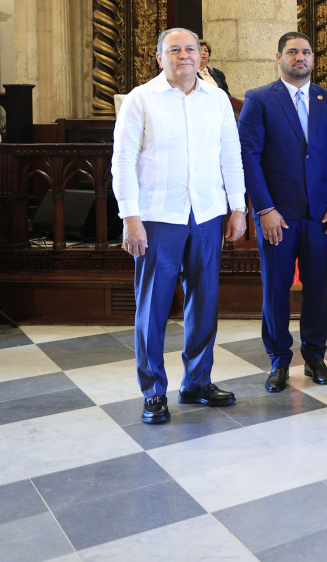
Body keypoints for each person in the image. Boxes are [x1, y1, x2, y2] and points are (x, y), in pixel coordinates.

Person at [111, 27, 246, 425]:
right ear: (159, 57)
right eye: (174, 50)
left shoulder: (216, 99)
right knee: (152, 305)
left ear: (201, 55)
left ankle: (197, 382)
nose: (184, 55)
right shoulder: (140, 99)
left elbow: (230, 155)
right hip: (157, 216)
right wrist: (130, 217)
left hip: (206, 213)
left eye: (190, 49)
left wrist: (238, 207)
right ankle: (153, 391)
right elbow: (123, 160)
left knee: (204, 300)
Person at [238, 32, 327, 393]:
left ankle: (315, 356)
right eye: (292, 52)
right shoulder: (258, 99)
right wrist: (264, 208)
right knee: (276, 289)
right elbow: (248, 157)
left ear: (313, 58)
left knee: (317, 288)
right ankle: (279, 360)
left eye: (305, 52)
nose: (299, 57)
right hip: (277, 215)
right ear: (279, 57)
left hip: (320, 215)